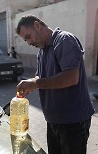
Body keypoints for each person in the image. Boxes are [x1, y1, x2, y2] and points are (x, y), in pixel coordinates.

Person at [16, 15, 94, 154]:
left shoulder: (64, 40)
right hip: (53, 120)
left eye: (28, 36)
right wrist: (31, 84)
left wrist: (36, 83)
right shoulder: (42, 51)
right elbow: (40, 77)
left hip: (73, 122)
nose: (28, 42)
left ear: (37, 25)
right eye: (25, 39)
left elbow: (71, 77)